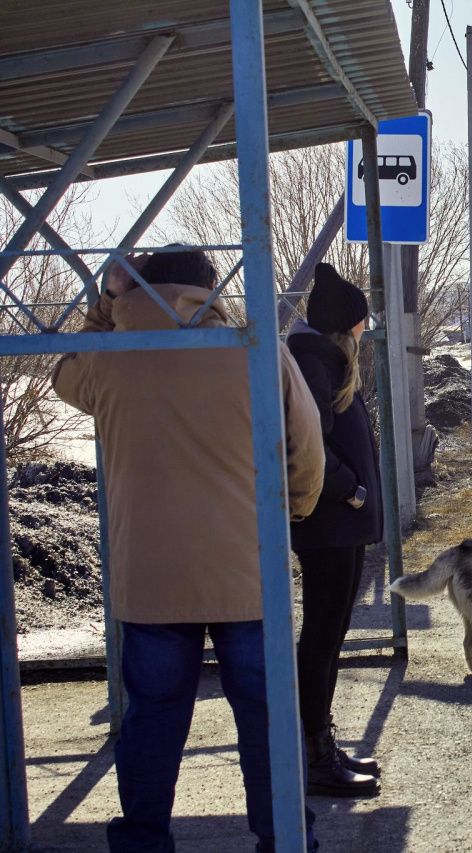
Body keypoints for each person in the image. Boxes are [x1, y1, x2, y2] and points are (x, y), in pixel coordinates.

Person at [52, 248, 326, 852]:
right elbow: (306, 450)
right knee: (265, 713)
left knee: (151, 716)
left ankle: (144, 840)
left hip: (149, 577)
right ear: (210, 290)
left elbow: (62, 374)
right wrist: (295, 512)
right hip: (247, 567)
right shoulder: (252, 350)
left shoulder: (108, 360)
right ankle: (282, 835)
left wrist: (106, 306)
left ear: (133, 290)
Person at [287, 262, 384, 798]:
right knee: (321, 637)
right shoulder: (312, 360)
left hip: (340, 525)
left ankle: (322, 745)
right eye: (362, 323)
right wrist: (351, 489)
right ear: (345, 325)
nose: (365, 331)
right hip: (327, 521)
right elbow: (310, 445)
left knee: (330, 635)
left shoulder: (321, 358)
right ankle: (315, 756)